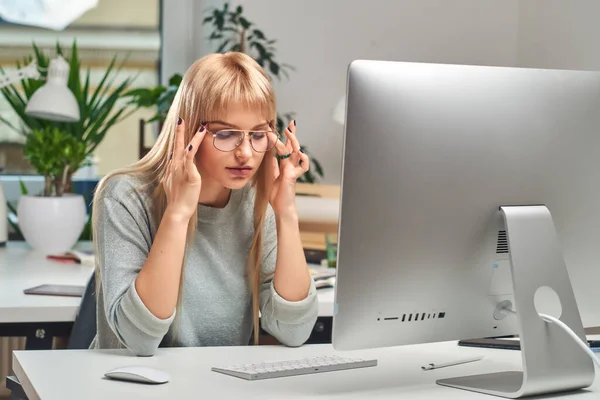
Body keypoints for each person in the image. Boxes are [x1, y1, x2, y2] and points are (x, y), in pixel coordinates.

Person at [89, 52, 319, 356]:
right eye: (226, 133)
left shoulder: (256, 202)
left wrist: (286, 212)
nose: (246, 154)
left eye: (258, 135)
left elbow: (295, 331)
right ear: (190, 129)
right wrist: (178, 213)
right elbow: (138, 339)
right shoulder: (125, 196)